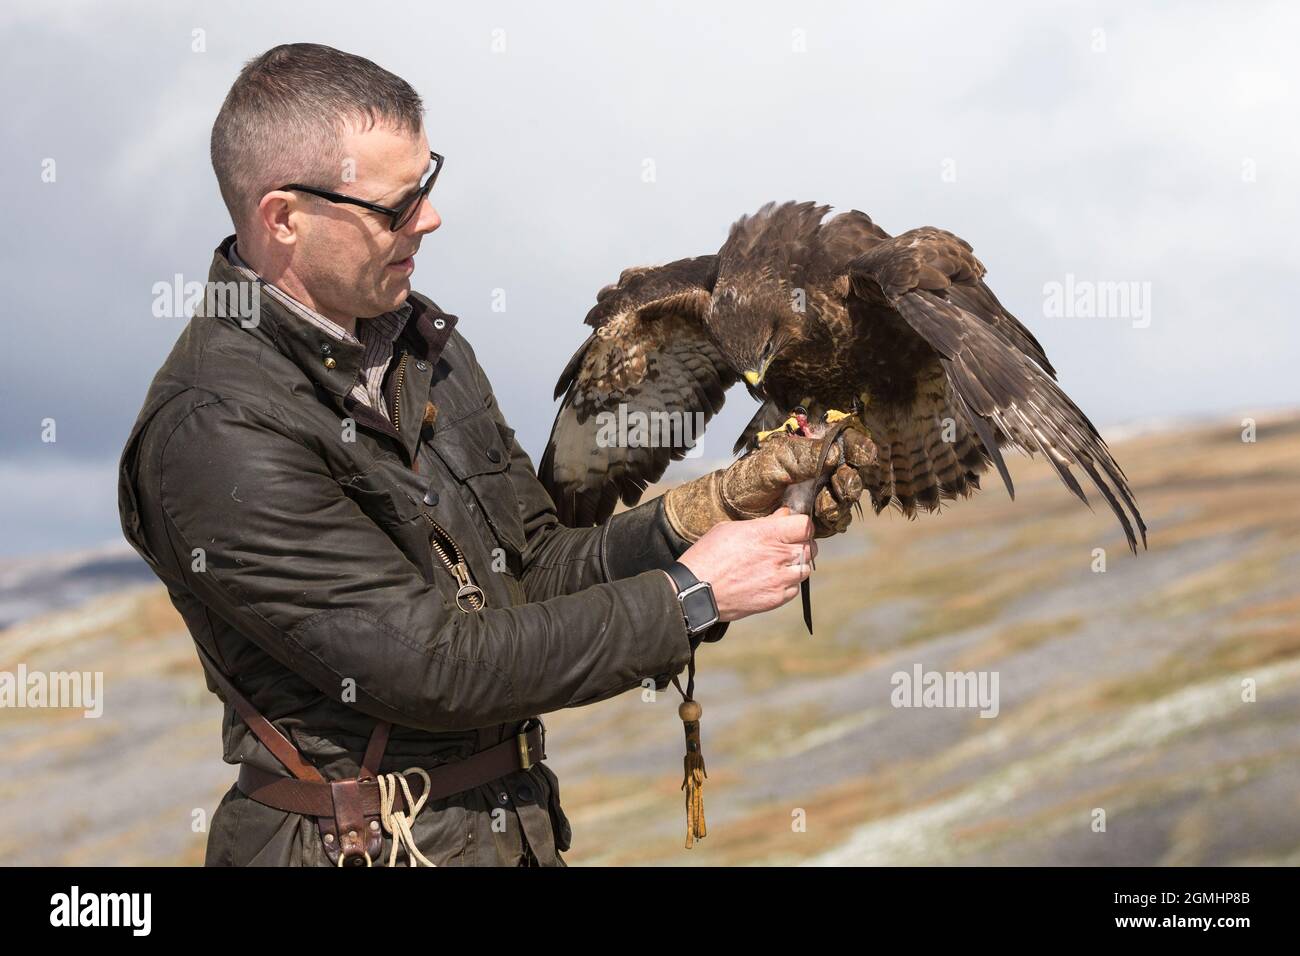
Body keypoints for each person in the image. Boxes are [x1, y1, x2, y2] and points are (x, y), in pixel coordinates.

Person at [117, 42, 868, 867]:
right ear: (284, 219)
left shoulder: (422, 350)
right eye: (395, 206)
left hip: (510, 836)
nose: (429, 219)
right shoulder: (215, 430)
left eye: (427, 184)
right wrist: (691, 596)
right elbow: (433, 668)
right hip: (357, 849)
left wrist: (714, 509)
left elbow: (537, 569)